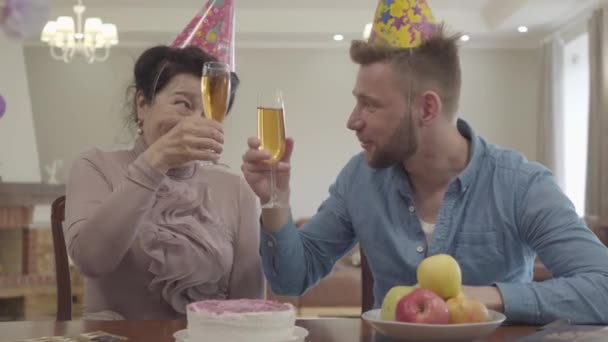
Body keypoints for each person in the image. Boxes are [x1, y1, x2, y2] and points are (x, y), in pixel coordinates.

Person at [241, 22, 608, 325]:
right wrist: (276, 198)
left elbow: (603, 288)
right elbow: (291, 278)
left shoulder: (521, 184)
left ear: (427, 108)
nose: (352, 121)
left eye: (369, 105)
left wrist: (487, 297)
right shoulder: (359, 180)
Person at [65, 45, 264, 320]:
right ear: (142, 105)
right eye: (183, 104)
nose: (195, 121)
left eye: (210, 111)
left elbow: (248, 304)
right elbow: (91, 260)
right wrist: (156, 161)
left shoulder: (237, 190)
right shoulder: (95, 166)